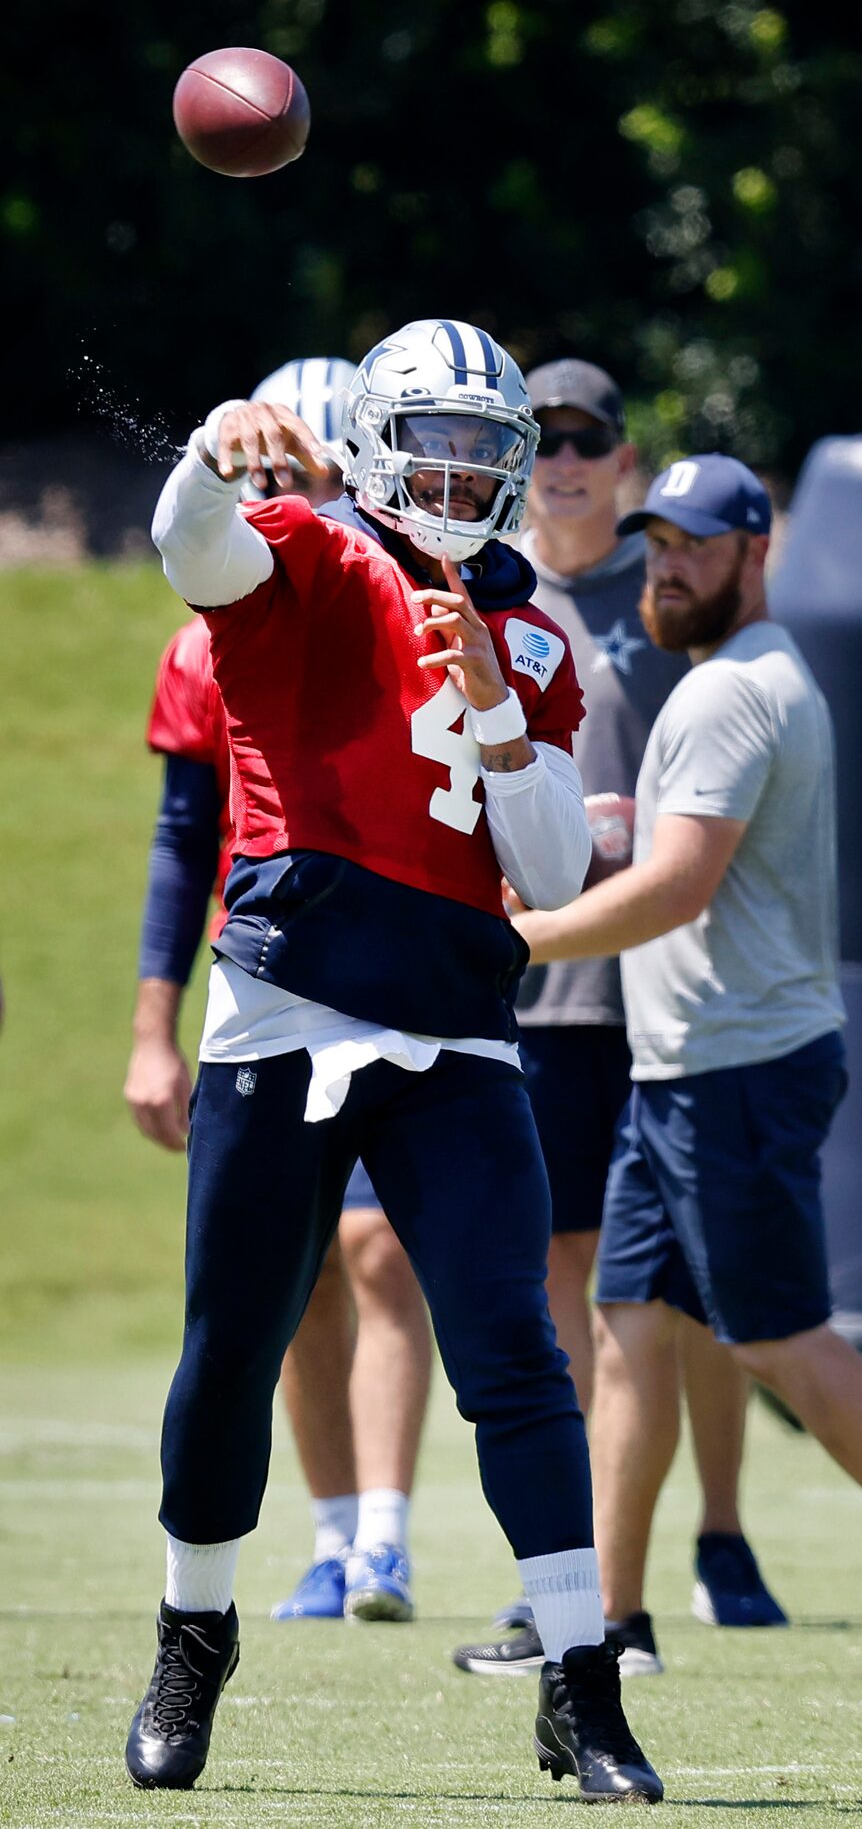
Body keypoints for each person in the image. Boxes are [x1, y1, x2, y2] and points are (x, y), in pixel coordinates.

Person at [125, 319, 661, 1803]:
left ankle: (581, 1678)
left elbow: (549, 873)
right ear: (371, 446)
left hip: (453, 1028)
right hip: (288, 1007)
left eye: (485, 451)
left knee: (514, 1359)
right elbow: (191, 546)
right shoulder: (301, 545)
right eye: (429, 443)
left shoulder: (534, 628)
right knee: (232, 1346)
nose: (457, 472)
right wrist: (212, 440)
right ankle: (194, 1627)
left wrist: (494, 697)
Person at [512, 451, 862, 1678]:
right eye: (658, 543)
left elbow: (681, 886)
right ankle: (607, 1622)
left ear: (759, 555)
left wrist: (521, 937)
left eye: (697, 545)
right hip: (689, 1065)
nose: (668, 564)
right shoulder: (730, 679)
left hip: (732, 1070)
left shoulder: (728, 692)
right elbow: (670, 866)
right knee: (634, 1328)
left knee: (778, 1339)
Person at [452, 363, 784, 1681]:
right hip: (537, 988)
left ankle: (717, 1531)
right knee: (567, 1289)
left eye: (588, 441)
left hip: (659, 982)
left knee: (681, 1293)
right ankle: (576, 1571)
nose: (567, 465)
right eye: (546, 444)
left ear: (625, 457)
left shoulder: (664, 595)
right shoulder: (482, 588)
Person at [126, 357, 435, 1628]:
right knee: (291, 1278)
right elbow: (180, 833)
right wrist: (153, 1027)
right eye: (267, 470)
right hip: (271, 984)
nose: (284, 493)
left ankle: (387, 1538)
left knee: (378, 1252)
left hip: (402, 968)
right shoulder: (210, 629)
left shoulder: (408, 588)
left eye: (302, 471)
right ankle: (326, 1532)